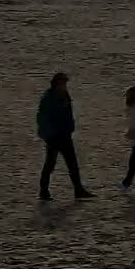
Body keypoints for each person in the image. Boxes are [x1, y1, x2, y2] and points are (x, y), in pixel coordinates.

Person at [36, 72, 94, 202]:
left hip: (65, 134)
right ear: (57, 84)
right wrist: (49, 134)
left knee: (72, 163)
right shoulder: (48, 98)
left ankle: (78, 189)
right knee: (50, 164)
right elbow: (46, 117)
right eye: (63, 83)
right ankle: (43, 191)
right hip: (54, 136)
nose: (65, 86)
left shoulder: (64, 96)